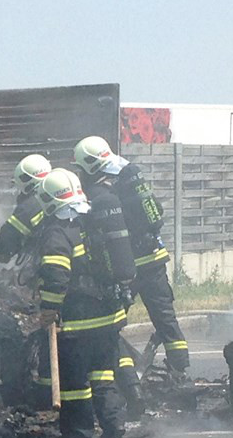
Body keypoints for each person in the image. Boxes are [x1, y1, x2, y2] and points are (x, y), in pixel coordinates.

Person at [32, 168, 133, 438]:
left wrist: (49, 308)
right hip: (109, 318)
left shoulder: (58, 231)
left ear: (49, 200)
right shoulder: (93, 221)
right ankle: (114, 425)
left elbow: (56, 276)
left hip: (78, 324)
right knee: (103, 375)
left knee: (74, 384)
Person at [73, 135, 189, 382]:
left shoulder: (102, 190)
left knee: (111, 321)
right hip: (154, 258)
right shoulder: (128, 174)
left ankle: (123, 377)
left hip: (128, 265)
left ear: (90, 166)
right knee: (165, 317)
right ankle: (181, 371)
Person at [0, 155, 52, 407]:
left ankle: (33, 394)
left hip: (51, 275)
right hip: (65, 275)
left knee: (38, 332)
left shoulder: (30, 205)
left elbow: (6, 243)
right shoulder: (55, 196)